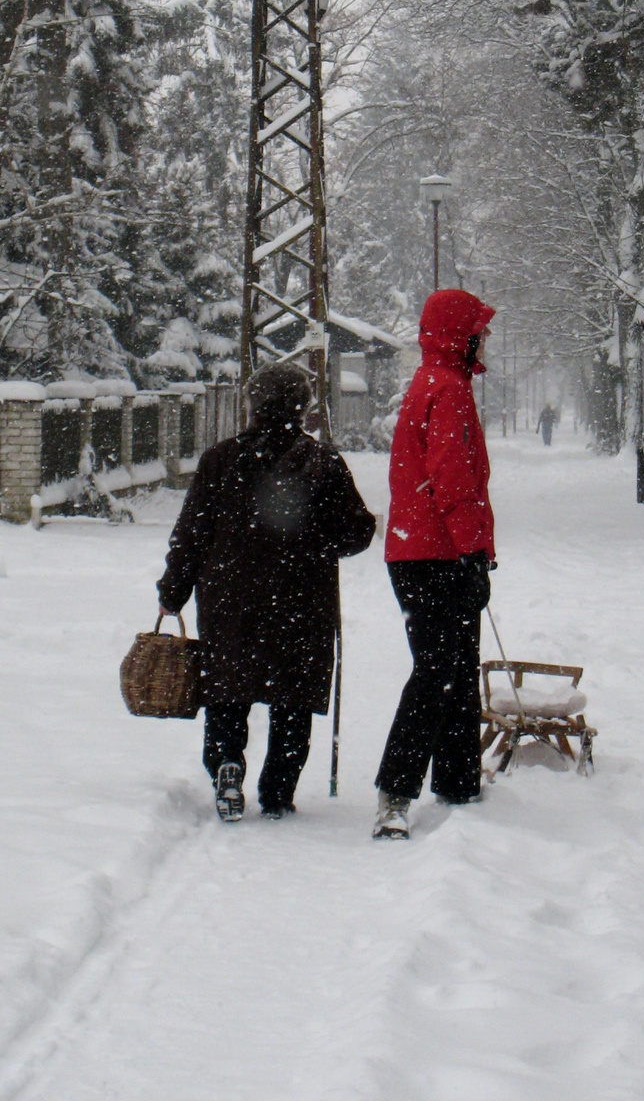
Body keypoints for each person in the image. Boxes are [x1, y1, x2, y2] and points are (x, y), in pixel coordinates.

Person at [157, 362, 375, 822]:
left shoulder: (220, 459)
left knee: (228, 689)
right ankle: (278, 789)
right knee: (292, 696)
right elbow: (354, 533)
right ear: (304, 407)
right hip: (300, 599)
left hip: (230, 599)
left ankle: (227, 765)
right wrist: (331, 532)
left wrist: (172, 591)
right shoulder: (323, 462)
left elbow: (190, 534)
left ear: (253, 404)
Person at [373, 289, 497, 839]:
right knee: (436, 671)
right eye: (479, 327)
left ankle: (458, 779)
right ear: (457, 332)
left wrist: (474, 553)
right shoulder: (445, 389)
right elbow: (452, 480)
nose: (486, 336)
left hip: (427, 548)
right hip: (433, 552)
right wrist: (473, 552)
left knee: (456, 666)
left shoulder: (438, 382)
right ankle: (395, 793)